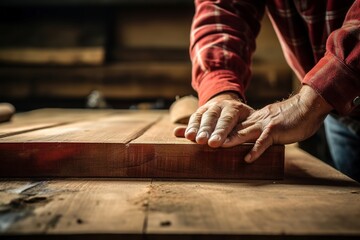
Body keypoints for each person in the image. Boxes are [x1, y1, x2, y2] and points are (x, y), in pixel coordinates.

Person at [174, 0, 360, 182]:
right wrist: (220, 91)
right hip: (340, 111)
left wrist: (308, 102)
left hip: (338, 98)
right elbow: (222, 8)